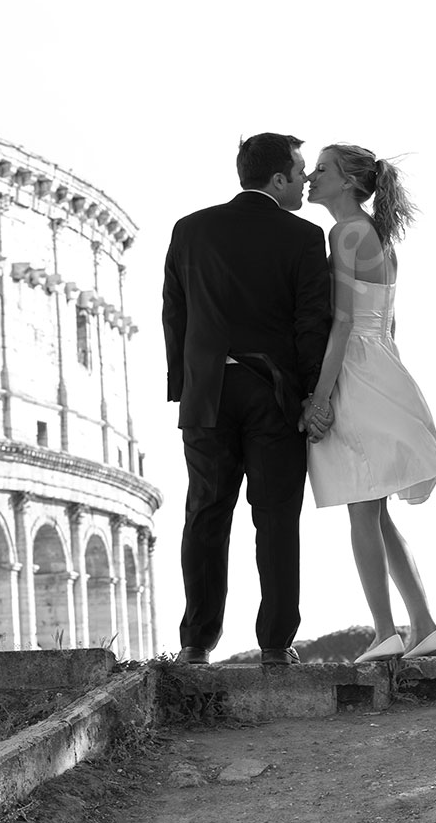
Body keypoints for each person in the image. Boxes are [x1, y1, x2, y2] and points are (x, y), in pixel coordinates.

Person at [162, 132, 332, 666]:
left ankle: (195, 643)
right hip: (273, 394)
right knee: (277, 516)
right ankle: (276, 645)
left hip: (206, 392)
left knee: (205, 513)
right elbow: (312, 324)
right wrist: (310, 395)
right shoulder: (304, 237)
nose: (304, 180)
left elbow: (175, 312)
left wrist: (182, 385)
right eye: (299, 171)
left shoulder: (190, 230)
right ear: (278, 178)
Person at [304, 143, 436, 663]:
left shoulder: (344, 232)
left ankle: (386, 631)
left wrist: (320, 399)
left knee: (363, 509)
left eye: (322, 170)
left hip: (357, 369)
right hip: (382, 363)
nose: (310, 177)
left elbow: (342, 322)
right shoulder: (380, 236)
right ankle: (425, 626)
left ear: (347, 182)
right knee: (378, 513)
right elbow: (388, 322)